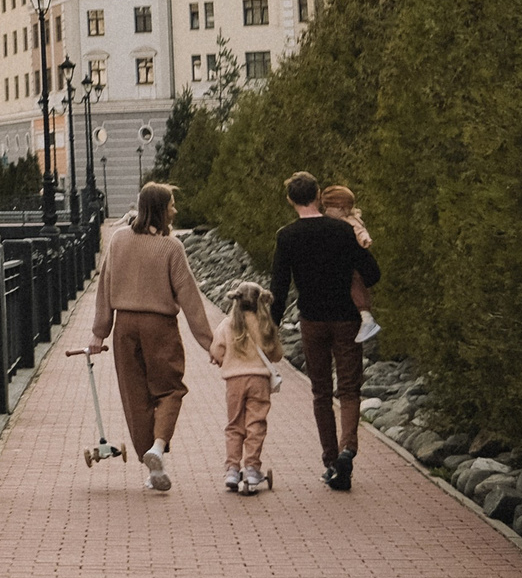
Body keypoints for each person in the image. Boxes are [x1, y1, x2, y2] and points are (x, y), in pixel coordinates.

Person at [84, 181, 216, 493]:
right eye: (171, 205)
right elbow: (189, 298)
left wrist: (99, 333)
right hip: (160, 327)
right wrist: (210, 343)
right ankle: (157, 448)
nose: (175, 211)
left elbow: (105, 286)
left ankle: (153, 469)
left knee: (135, 398)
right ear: (160, 210)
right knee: (170, 389)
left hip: (125, 328)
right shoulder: (171, 248)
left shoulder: (118, 239)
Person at [271, 170, 382, 491]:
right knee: (349, 389)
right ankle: (348, 449)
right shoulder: (343, 230)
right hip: (347, 320)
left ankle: (331, 462)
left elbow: (279, 288)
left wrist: (271, 327)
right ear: (318, 195)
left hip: (312, 322)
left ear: (291, 199)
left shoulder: (287, 236)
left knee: (321, 393)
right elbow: (372, 274)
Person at [209, 281, 286, 494]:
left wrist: (225, 359)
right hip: (259, 381)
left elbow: (217, 351)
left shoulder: (227, 325)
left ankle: (232, 470)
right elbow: (277, 354)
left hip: (234, 382)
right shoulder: (265, 325)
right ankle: (252, 468)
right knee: (256, 424)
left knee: (234, 424)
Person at [318, 184, 381, 344]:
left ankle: (366, 316)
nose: (326, 212)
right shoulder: (341, 222)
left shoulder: (349, 221)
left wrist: (364, 239)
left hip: (350, 268)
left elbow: (360, 231)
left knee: (353, 281)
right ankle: (364, 316)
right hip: (345, 269)